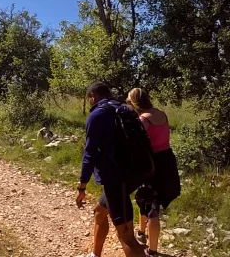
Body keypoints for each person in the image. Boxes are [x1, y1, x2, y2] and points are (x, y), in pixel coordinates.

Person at [76, 82, 147, 257]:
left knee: (126, 237)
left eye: (89, 98)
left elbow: (89, 154)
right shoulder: (125, 109)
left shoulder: (97, 115)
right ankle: (95, 254)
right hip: (134, 173)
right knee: (100, 212)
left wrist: (82, 187)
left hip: (117, 179)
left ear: (93, 96)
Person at [127, 88, 181, 256]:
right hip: (167, 160)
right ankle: (141, 232)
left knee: (151, 205)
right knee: (146, 198)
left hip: (152, 164)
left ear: (134, 103)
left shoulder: (143, 120)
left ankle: (152, 250)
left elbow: (135, 144)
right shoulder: (161, 114)